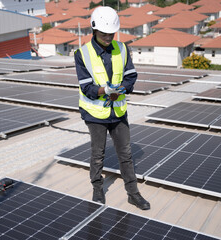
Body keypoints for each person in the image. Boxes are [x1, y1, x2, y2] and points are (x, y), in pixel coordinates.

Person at [74, 6, 150, 210]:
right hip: (95, 113)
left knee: (125, 153)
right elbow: (86, 87)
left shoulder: (122, 48)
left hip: (118, 111)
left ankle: (133, 194)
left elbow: (131, 75)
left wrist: (122, 88)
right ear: (94, 30)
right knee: (97, 153)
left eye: (111, 33)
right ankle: (97, 190)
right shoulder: (82, 54)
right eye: (104, 33)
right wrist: (105, 91)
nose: (108, 37)